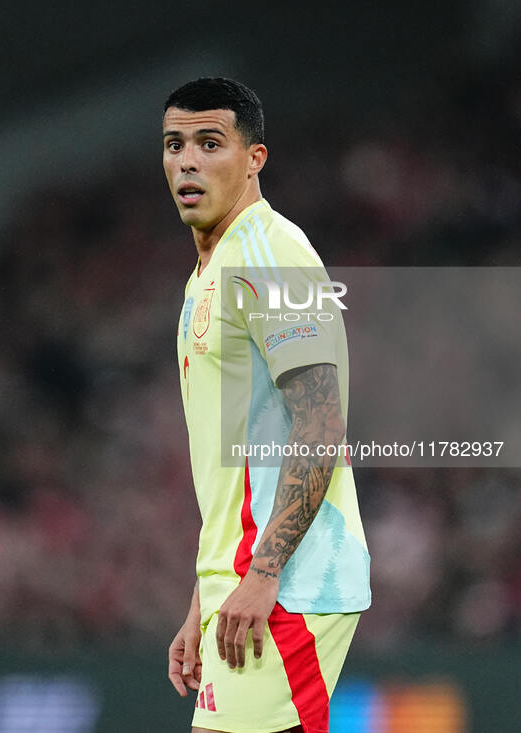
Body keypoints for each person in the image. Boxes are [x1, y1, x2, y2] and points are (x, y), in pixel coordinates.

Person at [163, 77, 370, 733]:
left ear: (254, 158)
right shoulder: (210, 268)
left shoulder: (268, 253)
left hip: (290, 583)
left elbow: (319, 424)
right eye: (174, 144)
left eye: (209, 142)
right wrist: (207, 593)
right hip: (246, 574)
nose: (187, 160)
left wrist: (262, 574)